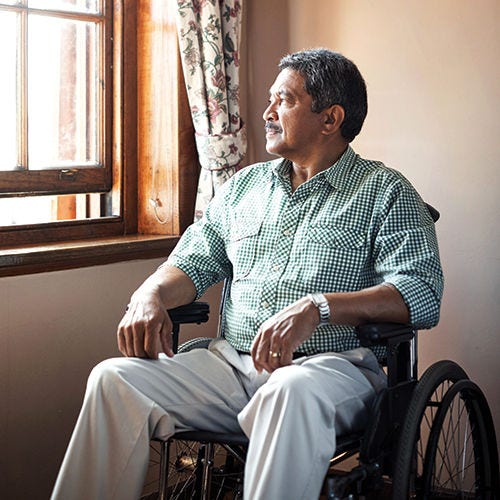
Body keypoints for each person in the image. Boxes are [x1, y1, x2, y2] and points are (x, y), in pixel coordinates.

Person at [51, 48, 443, 500]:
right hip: (233, 366)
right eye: (271, 99)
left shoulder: (386, 191)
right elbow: (193, 260)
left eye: (285, 100)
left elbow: (421, 291)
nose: (267, 112)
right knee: (114, 379)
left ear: (330, 118)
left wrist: (319, 308)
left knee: (290, 391)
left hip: (331, 370)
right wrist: (149, 295)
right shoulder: (243, 188)